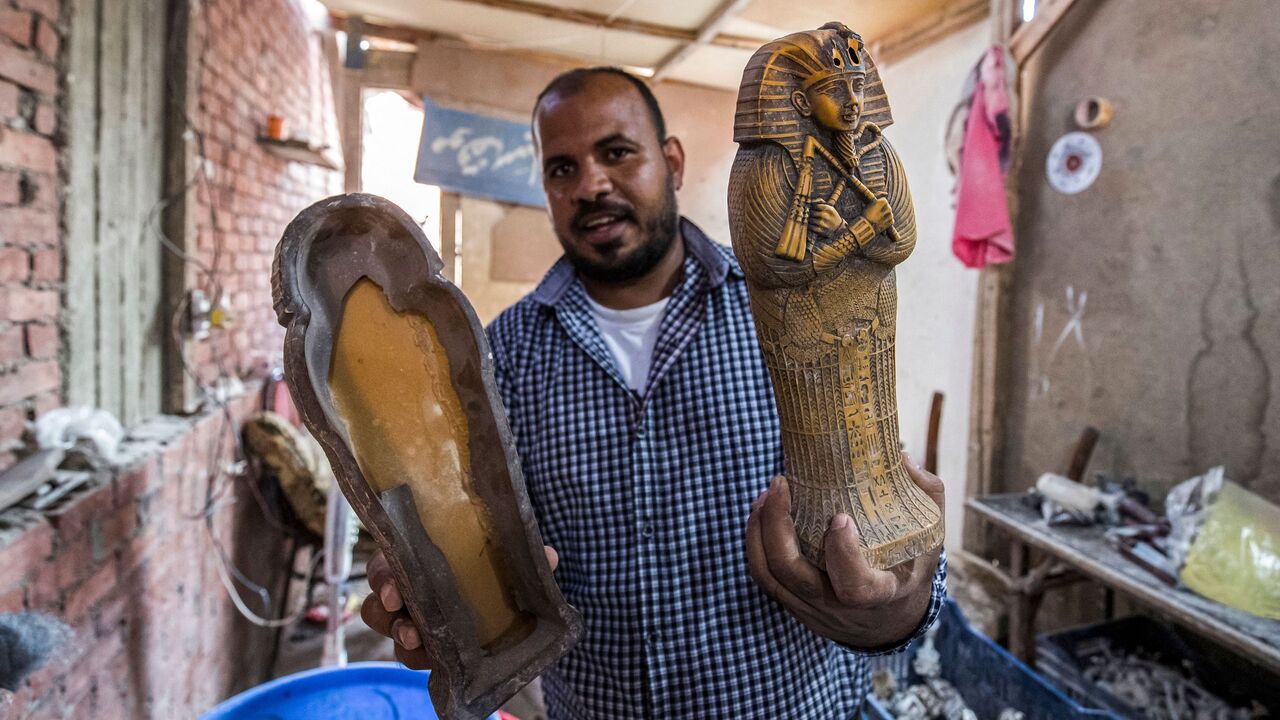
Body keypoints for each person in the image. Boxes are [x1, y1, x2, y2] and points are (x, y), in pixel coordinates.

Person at [361, 65, 947, 719]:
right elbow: (478, 538)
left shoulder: (791, 310)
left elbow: (882, 534)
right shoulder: (505, 356)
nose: (591, 186)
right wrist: (437, 590)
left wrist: (893, 605)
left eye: (616, 153)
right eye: (562, 169)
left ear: (671, 162)